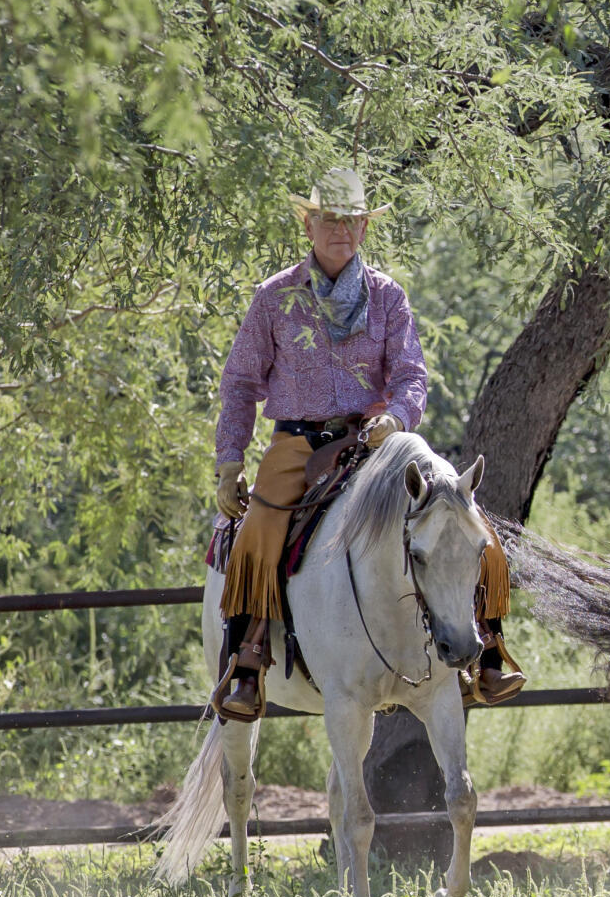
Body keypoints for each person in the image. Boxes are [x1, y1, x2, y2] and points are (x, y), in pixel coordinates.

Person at [212, 168, 525, 715]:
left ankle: (488, 650)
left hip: (378, 442)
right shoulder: (274, 298)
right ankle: (248, 659)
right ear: (309, 225)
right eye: (330, 220)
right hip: (299, 444)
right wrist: (229, 462)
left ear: (363, 228)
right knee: (258, 531)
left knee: (467, 519)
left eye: (352, 221)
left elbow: (411, 375)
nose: (342, 231)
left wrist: (398, 420)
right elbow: (240, 384)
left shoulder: (387, 296)